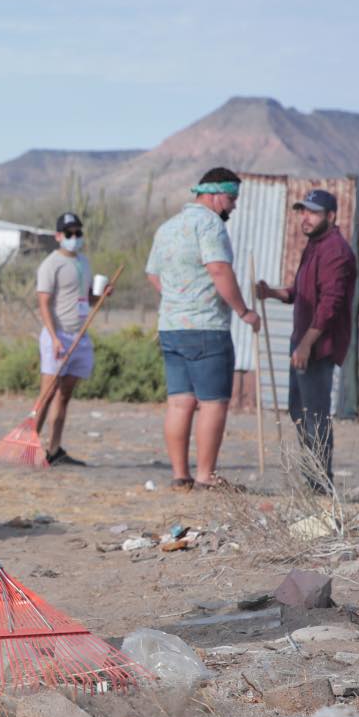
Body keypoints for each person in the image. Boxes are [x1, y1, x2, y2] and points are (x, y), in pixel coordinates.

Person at [145, 167, 260, 492]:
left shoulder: (167, 227)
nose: (234, 206)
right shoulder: (209, 225)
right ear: (214, 194)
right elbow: (219, 269)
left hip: (171, 327)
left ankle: (180, 476)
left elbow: (153, 274)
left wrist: (179, 298)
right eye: (232, 198)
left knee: (180, 402)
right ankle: (205, 475)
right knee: (213, 402)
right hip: (206, 327)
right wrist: (244, 311)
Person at [256, 189, 358, 494]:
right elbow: (303, 293)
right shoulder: (315, 246)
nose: (306, 217)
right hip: (303, 342)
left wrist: (307, 343)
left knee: (314, 416)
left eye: (312, 212)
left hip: (317, 346)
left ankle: (320, 484)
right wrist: (272, 293)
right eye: (303, 212)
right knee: (299, 412)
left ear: (330, 216)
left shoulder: (335, 251)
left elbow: (330, 303)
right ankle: (313, 478)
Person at [34, 212, 112, 467]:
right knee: (47, 394)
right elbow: (43, 303)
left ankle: (54, 449)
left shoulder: (83, 262)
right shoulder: (51, 264)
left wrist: (101, 296)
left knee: (64, 395)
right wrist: (55, 338)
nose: (74, 238)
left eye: (78, 233)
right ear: (58, 236)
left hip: (80, 334)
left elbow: (87, 298)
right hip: (58, 335)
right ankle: (30, 446)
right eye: (69, 234)